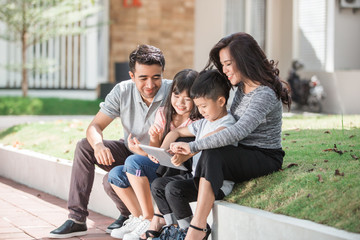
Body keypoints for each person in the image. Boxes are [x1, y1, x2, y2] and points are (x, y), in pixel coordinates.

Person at [170, 32, 291, 240]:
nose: (224, 70)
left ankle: (197, 229)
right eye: (222, 65)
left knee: (211, 153)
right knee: (187, 166)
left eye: (228, 64)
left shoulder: (264, 94)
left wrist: (194, 147)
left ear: (245, 60)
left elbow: (237, 131)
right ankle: (177, 220)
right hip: (239, 151)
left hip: (264, 156)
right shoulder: (241, 89)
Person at [49, 44, 172, 238]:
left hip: (159, 160)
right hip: (130, 152)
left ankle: (128, 214)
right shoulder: (122, 91)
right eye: (143, 78)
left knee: (109, 180)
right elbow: (94, 126)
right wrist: (98, 145)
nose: (150, 84)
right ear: (132, 76)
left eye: (156, 77)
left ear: (163, 74)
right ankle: (77, 218)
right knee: (85, 145)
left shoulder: (175, 92)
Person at [107, 69, 202, 240]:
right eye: (176, 96)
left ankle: (149, 218)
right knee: (115, 174)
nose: (180, 102)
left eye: (187, 99)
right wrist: (152, 139)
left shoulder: (196, 121)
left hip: (178, 169)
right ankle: (138, 218)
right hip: (162, 165)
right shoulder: (164, 112)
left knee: (134, 162)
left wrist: (141, 153)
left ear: (196, 99)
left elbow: (177, 155)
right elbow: (156, 153)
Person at [150, 69, 237, 240]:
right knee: (158, 185)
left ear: (221, 101)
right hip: (195, 177)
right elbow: (177, 132)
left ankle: (187, 232)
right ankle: (172, 227)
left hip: (215, 184)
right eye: (199, 106)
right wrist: (165, 149)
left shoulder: (228, 124)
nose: (201, 111)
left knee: (174, 189)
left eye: (204, 106)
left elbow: (210, 139)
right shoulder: (204, 122)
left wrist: (187, 151)